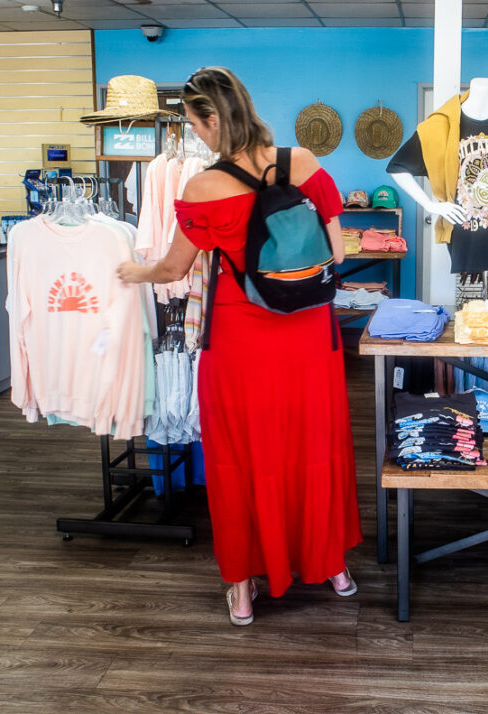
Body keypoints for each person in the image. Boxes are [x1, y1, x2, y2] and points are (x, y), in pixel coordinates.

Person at [117, 67, 362, 626]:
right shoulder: (302, 163)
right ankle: (332, 566)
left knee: (242, 456)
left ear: (210, 119)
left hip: (239, 336)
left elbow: (175, 267)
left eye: (195, 125)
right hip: (307, 332)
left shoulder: (201, 188)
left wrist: (136, 271)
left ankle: (243, 587)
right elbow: (339, 252)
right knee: (313, 443)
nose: (197, 135)